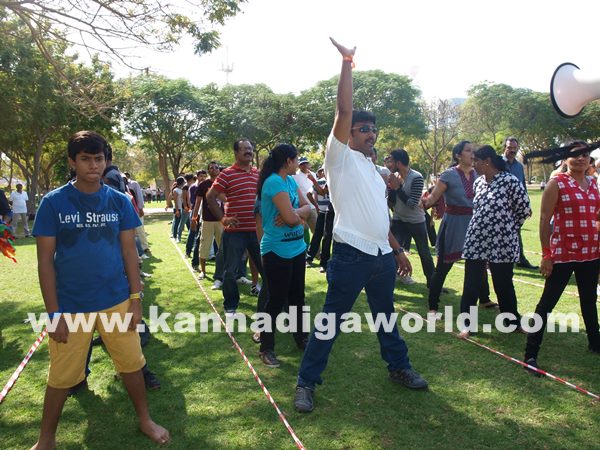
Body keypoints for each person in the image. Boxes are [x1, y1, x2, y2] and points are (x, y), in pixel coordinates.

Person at [294, 38, 428, 414]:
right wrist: (348, 62)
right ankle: (306, 383)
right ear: (349, 133)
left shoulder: (372, 169)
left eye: (373, 129)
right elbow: (343, 108)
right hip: (351, 255)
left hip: (382, 256)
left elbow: (378, 216)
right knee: (330, 324)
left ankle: (399, 368)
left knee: (387, 318)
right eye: (362, 128)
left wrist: (397, 249)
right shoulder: (338, 158)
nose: (370, 133)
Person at [30, 131, 169, 448]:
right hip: (71, 306)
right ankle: (45, 439)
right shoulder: (53, 203)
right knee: (62, 377)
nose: (93, 165)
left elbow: (129, 253)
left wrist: (135, 299)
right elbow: (44, 263)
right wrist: (54, 315)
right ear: (72, 162)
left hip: (116, 301)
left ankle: (145, 420)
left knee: (132, 364)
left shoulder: (119, 201)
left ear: (106, 162)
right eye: (85, 159)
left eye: (98, 159)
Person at [524, 141, 600, 373]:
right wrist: (547, 255)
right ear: (565, 158)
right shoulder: (556, 183)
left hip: (591, 254)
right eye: (575, 155)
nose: (580, 159)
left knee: (589, 301)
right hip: (563, 255)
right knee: (547, 304)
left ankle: (595, 343)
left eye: (585, 155)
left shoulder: (594, 184)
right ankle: (530, 354)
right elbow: (544, 220)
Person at [458, 145, 532, 338]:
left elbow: (524, 210)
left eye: (476, 161)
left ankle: (511, 321)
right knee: (471, 283)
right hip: (477, 239)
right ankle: (467, 324)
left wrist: (507, 226)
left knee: (503, 283)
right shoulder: (479, 182)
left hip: (503, 241)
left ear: (487, 161)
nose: (473, 165)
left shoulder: (510, 181)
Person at [423, 141, 495, 313]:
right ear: (458, 155)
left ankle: (484, 299)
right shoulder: (448, 175)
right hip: (454, 225)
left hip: (475, 224)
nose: (472, 154)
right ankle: (433, 305)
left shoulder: (480, 174)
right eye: (468, 151)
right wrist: (421, 202)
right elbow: (432, 199)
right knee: (443, 267)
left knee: (478, 263)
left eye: (473, 151)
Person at [257, 143, 311, 367]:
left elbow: (309, 208)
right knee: (276, 300)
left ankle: (302, 338)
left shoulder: (290, 181)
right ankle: (266, 348)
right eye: (296, 159)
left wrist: (295, 212)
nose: (298, 163)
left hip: (297, 247)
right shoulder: (274, 182)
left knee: (298, 297)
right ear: (288, 161)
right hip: (276, 250)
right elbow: (289, 219)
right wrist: (296, 215)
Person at [205, 139, 266, 315]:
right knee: (230, 272)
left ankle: (269, 305)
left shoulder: (258, 174)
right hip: (234, 233)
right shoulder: (227, 174)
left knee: (265, 269)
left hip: (257, 231)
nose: (249, 151)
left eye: (250, 149)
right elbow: (210, 197)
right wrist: (223, 218)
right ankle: (230, 306)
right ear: (236, 153)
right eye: (245, 149)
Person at [387, 149, 435, 287]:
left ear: (399, 163)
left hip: (415, 221)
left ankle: (432, 283)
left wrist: (397, 188)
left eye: (392, 161)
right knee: (393, 251)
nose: (389, 164)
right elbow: (391, 202)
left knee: (424, 253)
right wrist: (391, 188)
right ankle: (392, 278)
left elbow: (413, 204)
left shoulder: (416, 177)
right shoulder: (395, 176)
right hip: (399, 220)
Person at [503, 137, 538, 269]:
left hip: (516, 206)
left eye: (514, 148)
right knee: (501, 232)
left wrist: (526, 205)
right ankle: (492, 261)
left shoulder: (519, 166)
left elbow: (522, 186)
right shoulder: (498, 163)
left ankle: (520, 258)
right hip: (501, 205)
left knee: (517, 231)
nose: (512, 150)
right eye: (509, 148)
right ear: (504, 148)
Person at [191, 162, 224, 284]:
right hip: (207, 220)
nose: (214, 169)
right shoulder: (203, 185)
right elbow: (198, 203)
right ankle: (203, 271)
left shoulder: (223, 184)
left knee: (223, 247)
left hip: (221, 221)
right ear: (208, 171)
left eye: (216, 167)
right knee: (204, 246)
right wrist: (194, 219)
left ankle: (223, 271)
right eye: (211, 168)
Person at [171, 176, 185, 241]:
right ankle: (175, 236)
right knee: (177, 222)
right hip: (177, 208)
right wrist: (177, 210)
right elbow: (175, 201)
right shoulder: (176, 190)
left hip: (182, 208)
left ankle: (178, 235)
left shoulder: (182, 189)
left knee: (181, 222)